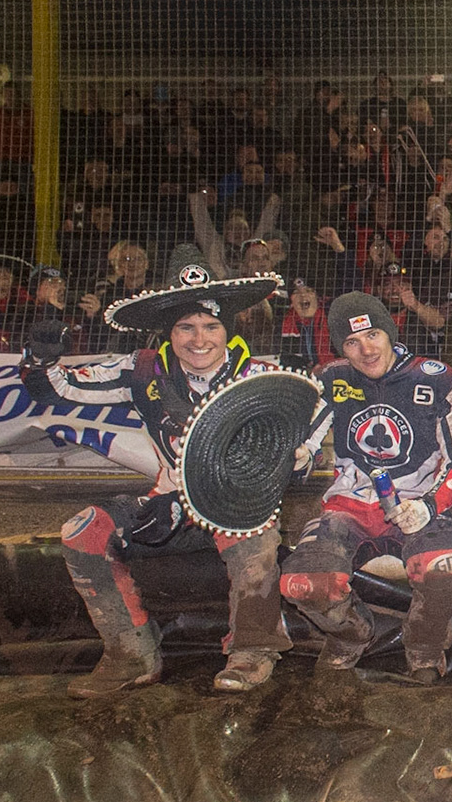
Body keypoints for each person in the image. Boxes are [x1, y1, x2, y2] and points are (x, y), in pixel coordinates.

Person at [19, 265, 289, 694]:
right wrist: (40, 357)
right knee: (82, 531)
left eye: (210, 326)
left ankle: (253, 652)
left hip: (238, 507)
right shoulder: (141, 369)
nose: (199, 339)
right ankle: (131, 656)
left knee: (255, 532)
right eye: (185, 327)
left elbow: (296, 457)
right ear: (169, 332)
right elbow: (56, 390)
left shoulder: (263, 378)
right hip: (166, 506)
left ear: (227, 330)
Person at [283, 294, 452, 682]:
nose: (366, 350)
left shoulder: (438, 380)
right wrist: (296, 456)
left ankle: (425, 645)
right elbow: (303, 440)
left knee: (448, 565)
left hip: (417, 503)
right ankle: (351, 634)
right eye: (352, 342)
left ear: (390, 332)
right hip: (348, 505)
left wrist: (429, 505)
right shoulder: (332, 379)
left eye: (373, 335)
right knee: (301, 582)